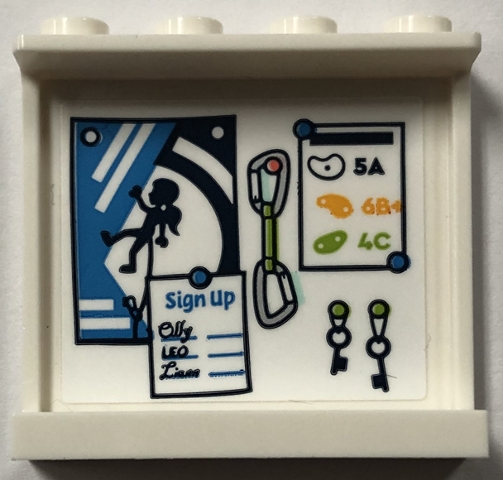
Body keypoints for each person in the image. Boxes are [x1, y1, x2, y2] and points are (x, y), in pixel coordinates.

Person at [101, 179, 182, 274]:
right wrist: (161, 236)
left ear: (162, 196)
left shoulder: (156, 212)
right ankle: (111, 241)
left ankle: (132, 266)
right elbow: (161, 224)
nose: (149, 194)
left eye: (153, 191)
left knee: (133, 250)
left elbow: (145, 208)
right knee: (126, 234)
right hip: (144, 231)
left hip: (145, 234)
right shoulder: (157, 211)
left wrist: (138, 197)